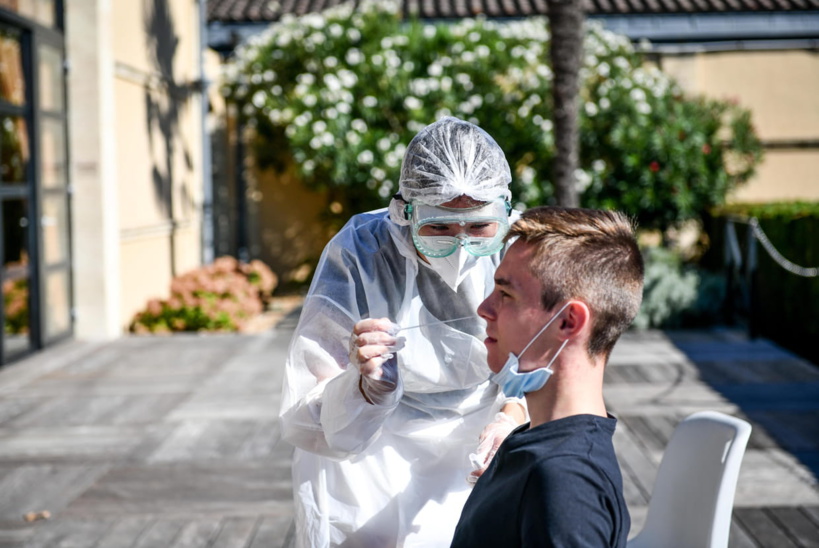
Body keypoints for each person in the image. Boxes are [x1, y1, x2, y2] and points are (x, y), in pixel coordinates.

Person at [279, 117, 528, 548]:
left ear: (504, 211)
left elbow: (546, 350)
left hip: (483, 435)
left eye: (479, 226)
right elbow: (311, 404)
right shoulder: (361, 250)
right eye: (439, 227)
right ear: (404, 213)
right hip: (372, 448)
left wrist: (514, 413)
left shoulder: (521, 245)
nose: (461, 245)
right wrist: (363, 389)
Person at [450, 206, 644, 548]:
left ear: (568, 322)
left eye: (505, 294)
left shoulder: (566, 483)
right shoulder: (535, 439)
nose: (484, 308)